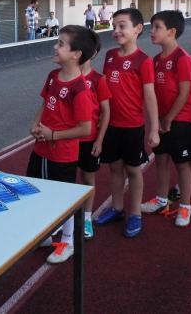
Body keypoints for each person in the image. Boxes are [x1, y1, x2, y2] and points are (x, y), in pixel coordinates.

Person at [29, 25, 93, 263]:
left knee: (64, 198)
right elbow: (45, 103)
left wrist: (53, 135)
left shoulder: (80, 89)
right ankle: (47, 233)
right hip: (42, 148)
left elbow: (86, 129)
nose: (55, 47)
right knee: (38, 190)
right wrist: (35, 124)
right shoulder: (53, 76)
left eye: (61, 44)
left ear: (75, 54)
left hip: (62, 154)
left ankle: (68, 240)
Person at [96, 8, 160, 238]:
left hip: (132, 125)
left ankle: (135, 214)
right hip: (111, 125)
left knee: (133, 170)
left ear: (137, 29)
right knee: (114, 167)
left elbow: (150, 95)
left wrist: (154, 128)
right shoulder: (110, 55)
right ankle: (117, 209)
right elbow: (104, 91)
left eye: (122, 26)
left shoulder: (143, 60)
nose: (116, 31)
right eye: (114, 26)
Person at [140, 10, 191, 227]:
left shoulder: (182, 58)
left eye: (157, 28)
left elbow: (184, 93)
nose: (151, 32)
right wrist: (159, 120)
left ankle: (185, 207)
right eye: (151, 27)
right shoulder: (155, 60)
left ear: (171, 32)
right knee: (161, 160)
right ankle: (161, 200)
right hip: (161, 120)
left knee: (182, 164)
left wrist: (169, 118)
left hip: (180, 120)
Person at [77, 29, 111, 239]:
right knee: (67, 181)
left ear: (93, 53)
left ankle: (87, 218)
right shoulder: (64, 78)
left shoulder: (98, 80)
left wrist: (100, 139)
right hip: (67, 140)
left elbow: (106, 112)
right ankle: (67, 219)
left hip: (90, 140)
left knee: (88, 179)